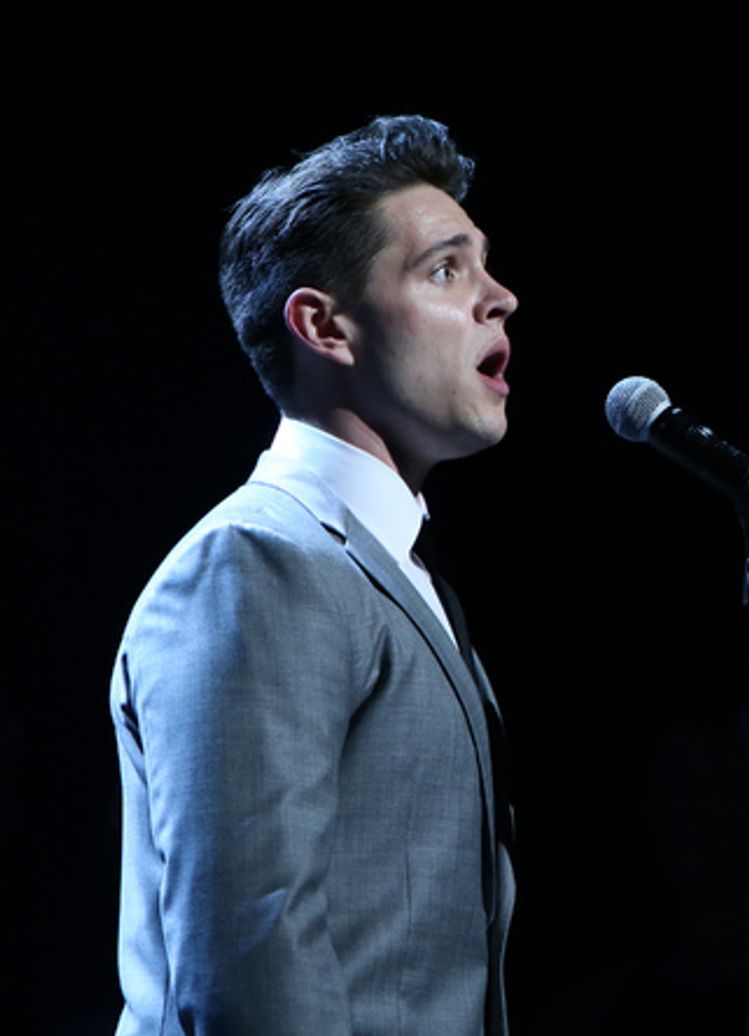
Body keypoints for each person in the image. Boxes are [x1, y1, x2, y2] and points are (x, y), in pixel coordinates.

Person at [109, 115, 519, 1035]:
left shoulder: (400, 573)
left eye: (486, 265)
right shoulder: (258, 565)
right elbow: (250, 971)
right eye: (446, 269)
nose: (501, 299)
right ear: (323, 325)